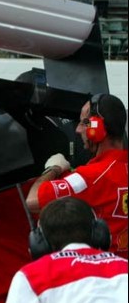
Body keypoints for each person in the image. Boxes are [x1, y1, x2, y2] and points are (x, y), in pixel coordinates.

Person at [26, 93, 128, 257]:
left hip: (101, 275)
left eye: (84, 123)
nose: (78, 129)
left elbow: (33, 201)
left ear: (97, 128)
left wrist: (53, 169)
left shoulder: (90, 177)